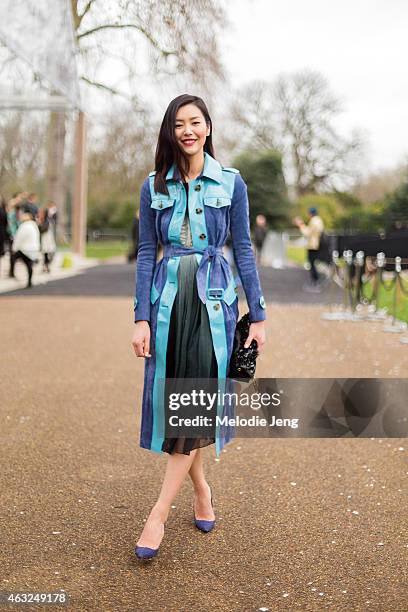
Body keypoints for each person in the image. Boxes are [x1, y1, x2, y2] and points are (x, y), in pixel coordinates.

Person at [131, 94, 267, 560]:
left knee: (193, 404)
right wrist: (141, 317)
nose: (187, 130)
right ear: (170, 132)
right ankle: (202, 489)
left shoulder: (231, 182)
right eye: (178, 123)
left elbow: (244, 249)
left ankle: (158, 515)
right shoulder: (154, 185)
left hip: (215, 303)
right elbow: (147, 252)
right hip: (169, 304)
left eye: (195, 121)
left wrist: (260, 314)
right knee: (181, 405)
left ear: (208, 127)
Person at [293, 207, 325, 292]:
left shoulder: (314, 221)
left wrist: (300, 224)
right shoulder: (319, 220)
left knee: (312, 263)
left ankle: (315, 281)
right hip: (316, 245)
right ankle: (316, 281)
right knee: (313, 263)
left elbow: (307, 233)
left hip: (313, 245)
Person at [10, 206, 40, 287]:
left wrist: (14, 248)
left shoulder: (24, 226)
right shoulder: (34, 225)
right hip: (32, 249)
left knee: (13, 258)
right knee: (29, 265)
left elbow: (19, 238)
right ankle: (29, 281)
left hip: (25, 249)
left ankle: (12, 273)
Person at [38, 206, 56, 272]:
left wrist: (39, 225)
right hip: (44, 239)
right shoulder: (42, 220)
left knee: (47, 253)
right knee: (45, 254)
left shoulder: (47, 221)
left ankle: (47, 266)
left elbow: (44, 229)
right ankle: (46, 266)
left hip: (47, 240)